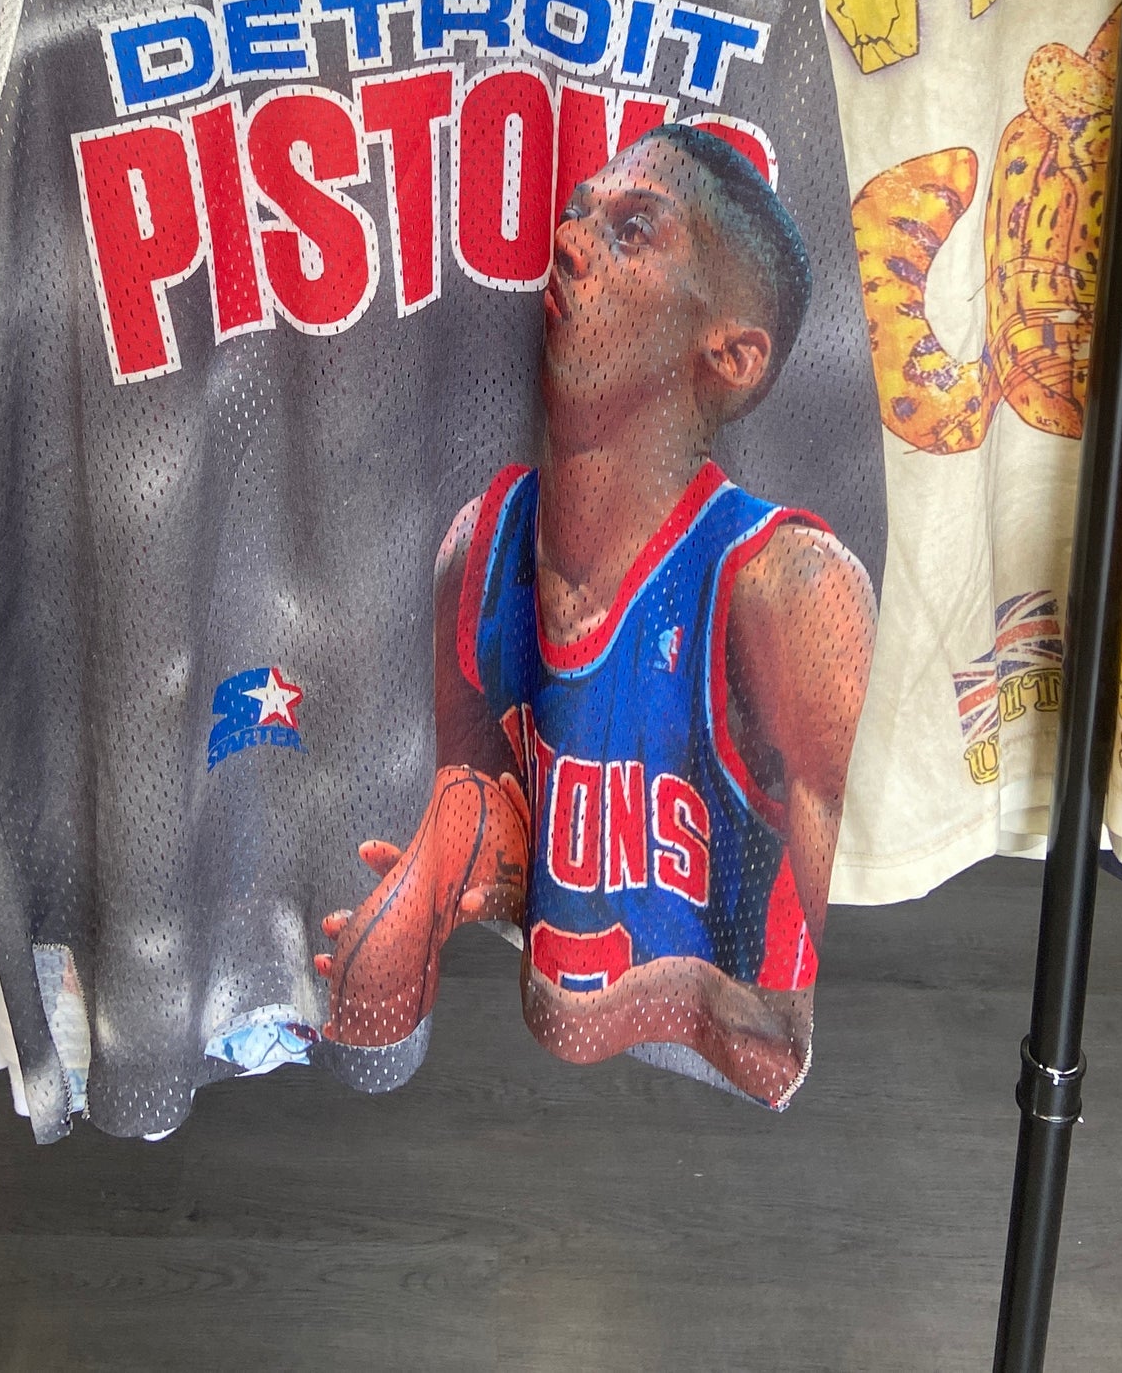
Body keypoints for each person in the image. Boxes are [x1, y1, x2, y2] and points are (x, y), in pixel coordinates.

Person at [318, 123, 877, 1104]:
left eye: (631, 230)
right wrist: (436, 886)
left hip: (702, 1150)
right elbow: (494, 837)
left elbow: (781, 1039)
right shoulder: (479, 546)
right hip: (509, 1120)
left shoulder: (790, 588)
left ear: (731, 352)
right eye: (575, 213)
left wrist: (623, 1000)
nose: (568, 241)